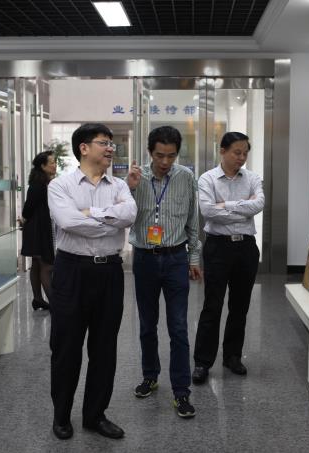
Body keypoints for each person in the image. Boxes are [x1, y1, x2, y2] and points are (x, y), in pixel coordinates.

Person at [47, 123, 137, 440]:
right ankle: (61, 416)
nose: (110, 148)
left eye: (112, 143)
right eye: (104, 143)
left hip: (110, 272)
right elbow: (68, 221)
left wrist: (89, 213)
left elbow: (130, 216)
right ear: (84, 148)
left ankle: (95, 415)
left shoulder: (119, 185)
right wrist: (109, 220)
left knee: (104, 348)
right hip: (72, 271)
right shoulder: (60, 186)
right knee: (66, 348)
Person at [126, 125, 201, 418]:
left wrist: (194, 258)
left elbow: (193, 221)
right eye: (159, 155)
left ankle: (181, 391)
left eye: (171, 156)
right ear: (150, 152)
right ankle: (150, 376)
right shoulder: (136, 178)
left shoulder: (186, 178)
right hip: (145, 258)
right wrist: (130, 188)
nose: (165, 162)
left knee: (179, 326)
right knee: (147, 324)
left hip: (176, 259)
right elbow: (124, 218)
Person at [191, 132, 265, 384]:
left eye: (245, 153)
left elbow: (259, 204)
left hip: (246, 247)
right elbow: (208, 211)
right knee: (212, 305)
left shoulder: (253, 178)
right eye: (237, 152)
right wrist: (243, 207)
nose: (241, 158)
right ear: (222, 151)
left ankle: (232, 356)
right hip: (218, 247)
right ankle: (202, 362)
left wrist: (226, 205)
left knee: (240, 305)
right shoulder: (207, 178)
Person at [19, 151, 56, 311]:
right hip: (38, 230)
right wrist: (24, 219)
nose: (55, 165)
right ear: (43, 166)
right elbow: (28, 207)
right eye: (52, 162)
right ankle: (55, 305)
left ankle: (38, 299)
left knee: (36, 264)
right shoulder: (38, 184)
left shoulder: (45, 182)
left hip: (39, 228)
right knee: (46, 265)